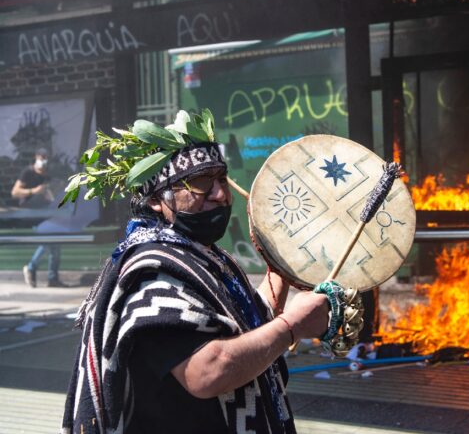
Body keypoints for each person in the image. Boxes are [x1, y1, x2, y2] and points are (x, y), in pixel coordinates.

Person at [61, 112, 332, 434]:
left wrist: (281, 266)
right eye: (202, 183)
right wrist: (293, 326)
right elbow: (207, 372)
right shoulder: (152, 271)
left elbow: (246, 326)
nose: (220, 194)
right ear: (156, 200)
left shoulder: (203, 255)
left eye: (221, 179)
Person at [11, 147, 65, 287]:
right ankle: (31, 268)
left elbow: (49, 196)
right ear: (36, 157)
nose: (44, 160)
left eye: (46, 158)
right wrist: (33, 191)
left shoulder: (46, 176)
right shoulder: (28, 172)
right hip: (30, 214)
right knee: (48, 241)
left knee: (55, 242)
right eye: (41, 157)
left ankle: (52, 278)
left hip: (45, 213)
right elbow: (15, 192)